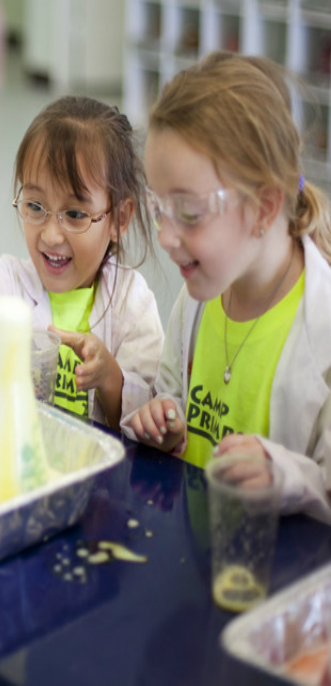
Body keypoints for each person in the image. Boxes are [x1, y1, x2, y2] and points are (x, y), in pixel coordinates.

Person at [121, 51, 331, 523]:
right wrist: (167, 419)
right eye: (159, 208)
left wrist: (283, 476)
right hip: (202, 563)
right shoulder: (202, 291)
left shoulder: (323, 329)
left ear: (263, 207)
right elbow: (176, 392)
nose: (165, 237)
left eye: (190, 213)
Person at [0, 95, 164, 429]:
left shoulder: (132, 306)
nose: (50, 235)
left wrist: (109, 377)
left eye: (75, 214)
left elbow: (146, 419)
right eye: (35, 207)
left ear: (120, 219)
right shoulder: (10, 281)